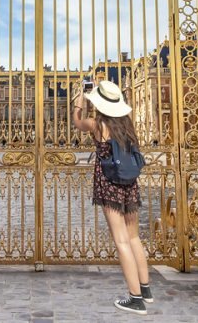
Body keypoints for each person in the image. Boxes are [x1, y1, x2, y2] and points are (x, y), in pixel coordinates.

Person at [72, 79, 152, 316]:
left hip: (109, 185)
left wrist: (79, 102)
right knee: (134, 237)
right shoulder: (126, 125)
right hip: (129, 184)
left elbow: (77, 122)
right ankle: (145, 289)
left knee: (121, 241)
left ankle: (135, 298)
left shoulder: (98, 125)